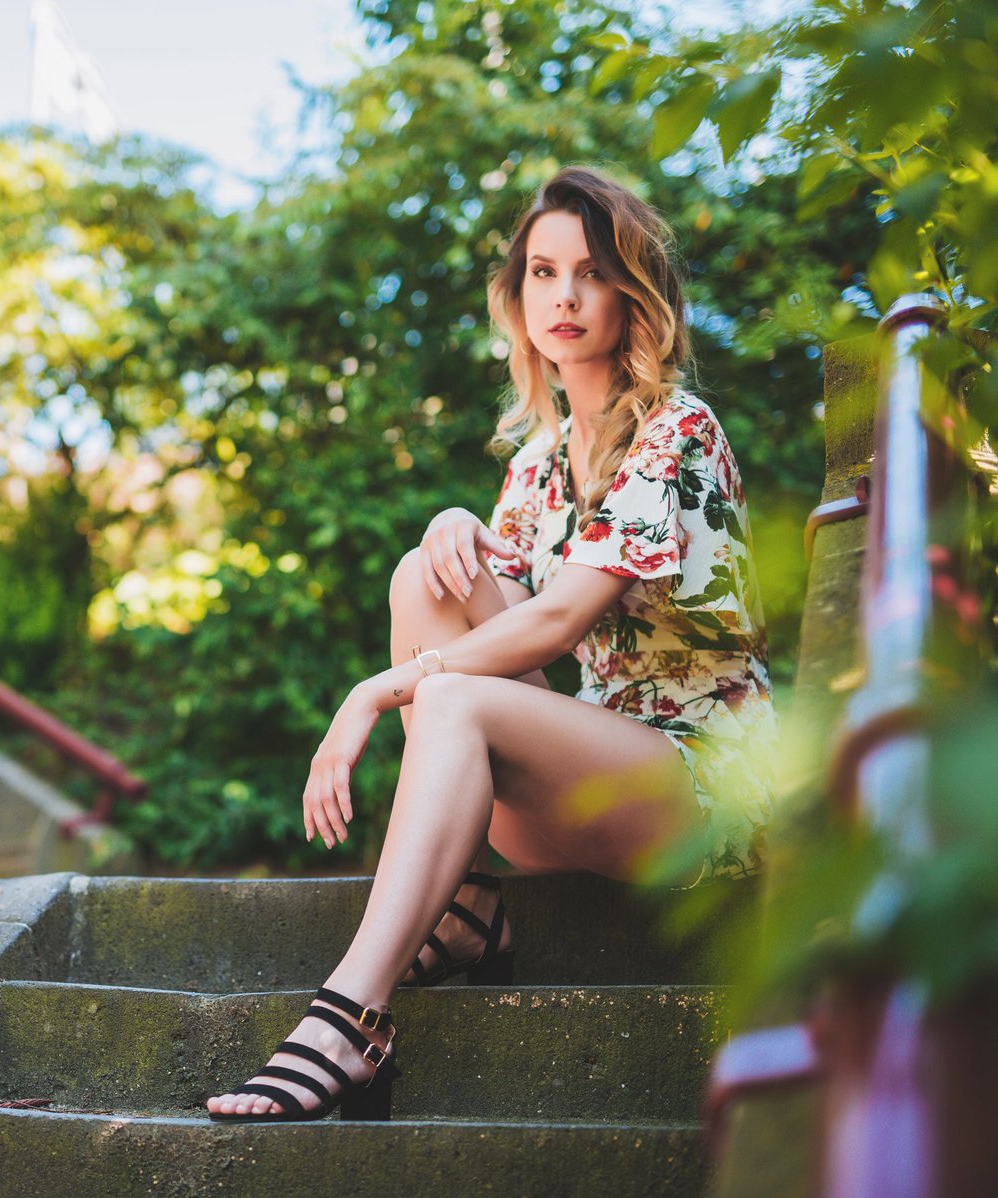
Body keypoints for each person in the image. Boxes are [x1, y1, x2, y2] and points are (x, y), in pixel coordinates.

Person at [205, 164, 779, 1122]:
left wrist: (372, 692)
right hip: (592, 778)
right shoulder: (540, 464)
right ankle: (467, 903)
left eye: (592, 273)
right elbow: (501, 618)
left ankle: (349, 1019)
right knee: (421, 572)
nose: (565, 297)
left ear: (631, 294)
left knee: (449, 694)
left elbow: (556, 622)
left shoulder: (677, 430)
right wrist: (453, 527)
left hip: (703, 791)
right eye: (543, 273)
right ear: (518, 298)